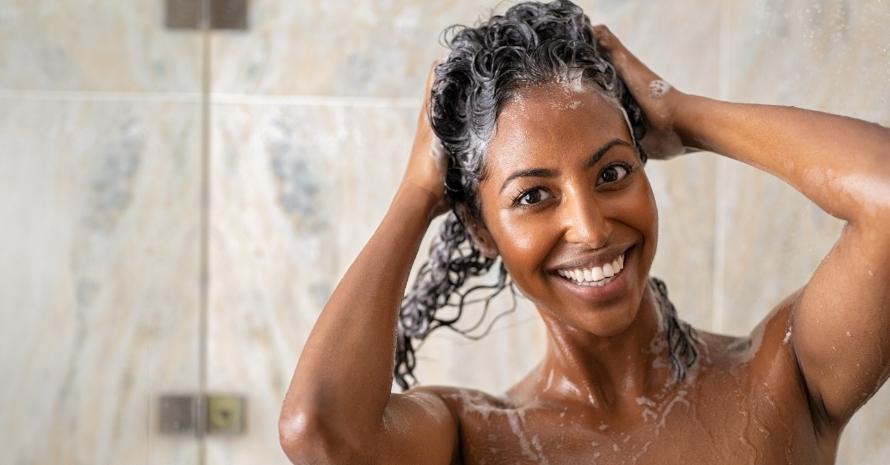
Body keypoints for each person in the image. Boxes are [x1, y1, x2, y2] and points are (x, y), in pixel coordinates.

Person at [278, 1, 890, 463]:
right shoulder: (475, 438)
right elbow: (319, 429)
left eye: (613, 172)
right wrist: (416, 195)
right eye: (533, 196)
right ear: (481, 230)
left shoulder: (783, 377)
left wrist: (679, 112)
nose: (591, 227)